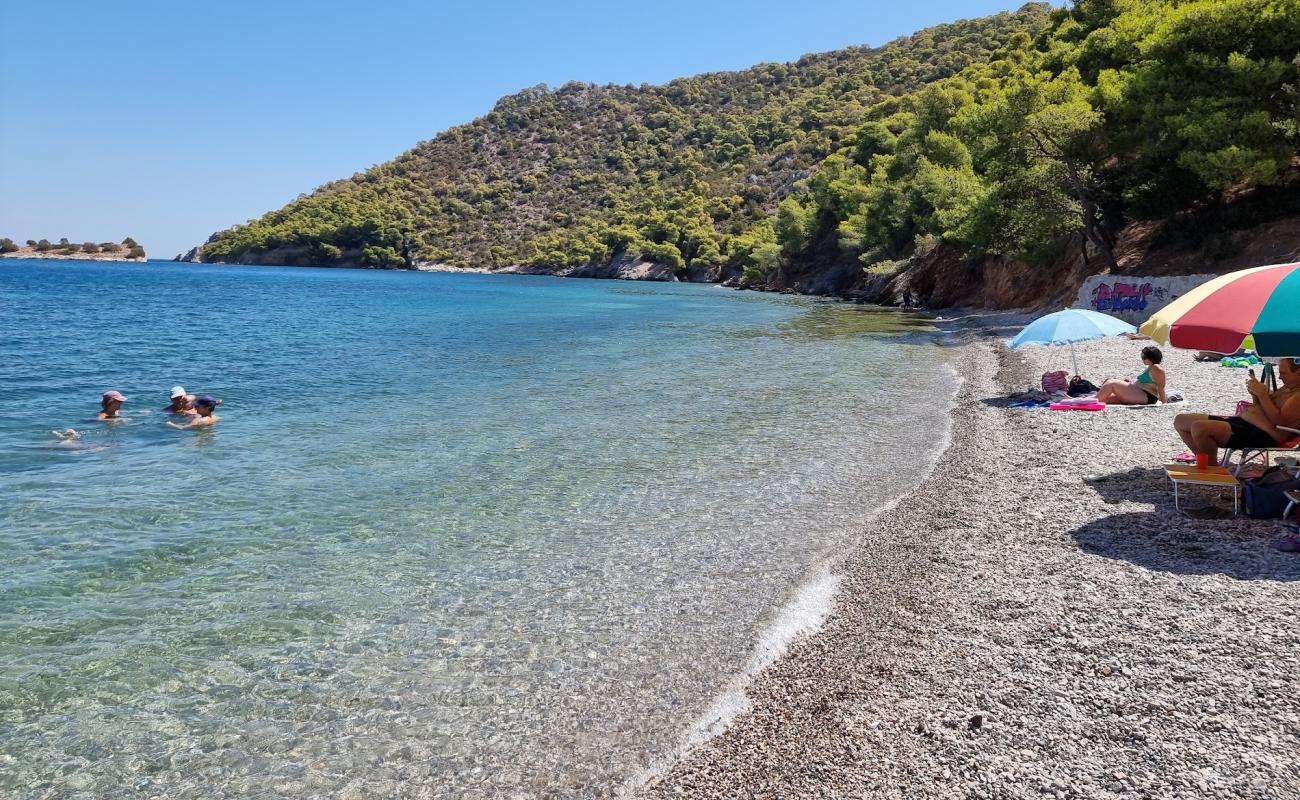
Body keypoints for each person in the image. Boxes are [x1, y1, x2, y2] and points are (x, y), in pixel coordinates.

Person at [1174, 357, 1300, 465]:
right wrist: (1256, 394)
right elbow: (1261, 408)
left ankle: (1211, 470)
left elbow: (1280, 423)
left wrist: (1263, 395)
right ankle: (1204, 461)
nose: (1280, 376)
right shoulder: (1289, 387)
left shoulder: (1297, 396)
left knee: (1200, 427)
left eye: (1284, 373)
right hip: (1249, 423)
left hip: (1261, 433)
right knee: (1181, 421)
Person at [1095, 346, 1167, 405]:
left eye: (1144, 358)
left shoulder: (1156, 368)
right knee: (1104, 397)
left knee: (1111, 383)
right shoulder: (1151, 367)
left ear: (1152, 357)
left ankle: (1090, 402)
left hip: (1146, 396)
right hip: (1139, 394)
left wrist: (1164, 403)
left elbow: (1161, 388)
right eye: (1142, 357)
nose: (1142, 360)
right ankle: (1090, 401)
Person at [52, 390, 127, 440]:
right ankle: (70, 437)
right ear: (111, 402)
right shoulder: (103, 414)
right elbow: (99, 420)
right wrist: (116, 420)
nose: (121, 404)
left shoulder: (114, 412)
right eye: (119, 402)